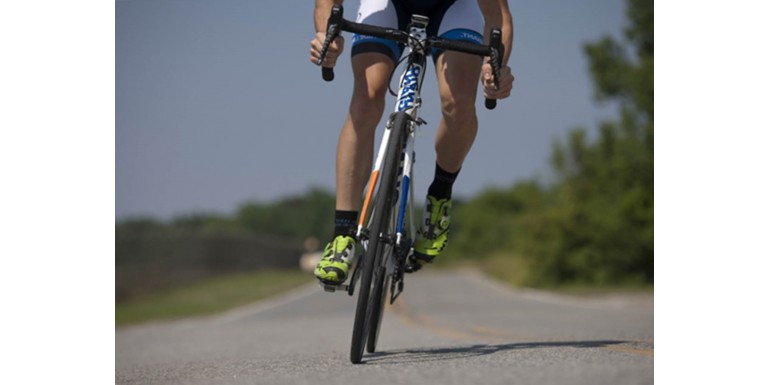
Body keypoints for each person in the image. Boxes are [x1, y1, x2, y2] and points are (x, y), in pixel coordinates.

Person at [310, 0, 514, 284]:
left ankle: (440, 194)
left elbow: (498, 16)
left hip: (453, 8)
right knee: (366, 100)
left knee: (459, 106)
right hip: (386, 5)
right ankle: (342, 235)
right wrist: (325, 36)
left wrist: (498, 68)